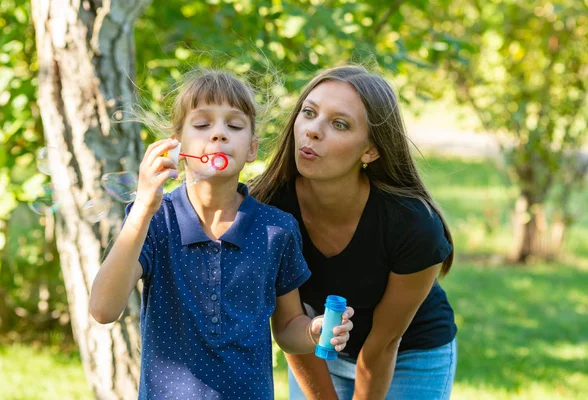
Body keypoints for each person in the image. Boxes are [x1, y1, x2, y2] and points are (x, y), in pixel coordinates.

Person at [89, 70, 354, 400]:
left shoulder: (276, 229)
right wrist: (143, 206)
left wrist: (313, 331)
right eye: (202, 125)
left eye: (234, 125)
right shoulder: (156, 220)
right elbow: (103, 310)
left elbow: (287, 329)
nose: (218, 134)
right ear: (177, 145)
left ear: (252, 148)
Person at [250, 65, 457, 400]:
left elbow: (384, 344)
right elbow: (290, 325)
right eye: (309, 113)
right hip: (316, 346)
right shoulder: (268, 210)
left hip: (410, 353)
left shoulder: (414, 225)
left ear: (370, 150)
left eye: (339, 124)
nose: (313, 131)